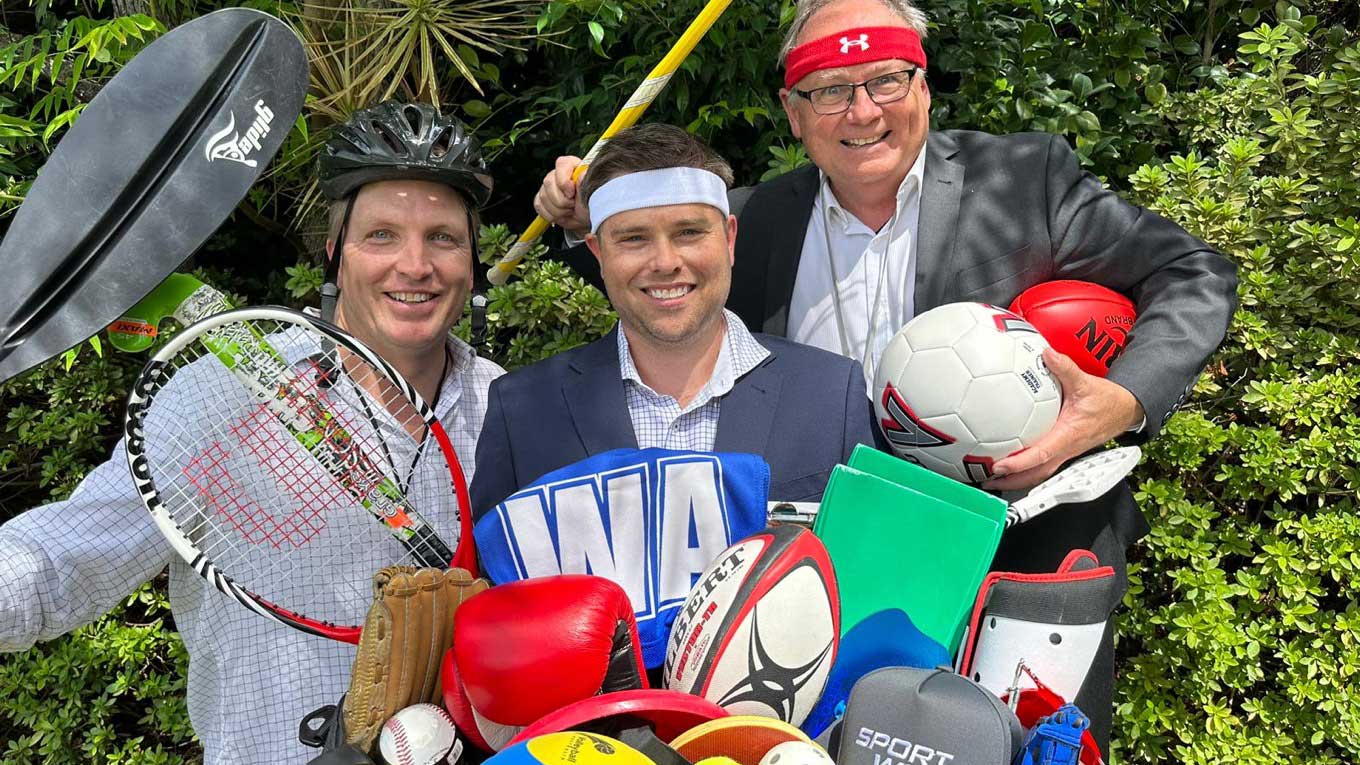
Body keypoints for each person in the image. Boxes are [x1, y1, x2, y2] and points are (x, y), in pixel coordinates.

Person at [531, 0, 1238, 750]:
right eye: (831, 89)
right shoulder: (763, 218)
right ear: (794, 114)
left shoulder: (1021, 181)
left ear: (924, 86)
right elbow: (662, 263)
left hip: (1022, 562)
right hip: (837, 578)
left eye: (886, 81)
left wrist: (1118, 402)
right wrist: (577, 218)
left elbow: (1194, 271)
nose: (862, 111)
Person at [0, 101, 505, 765]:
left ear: (471, 260)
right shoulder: (220, 394)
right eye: (381, 235)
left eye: (442, 236)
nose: (415, 265)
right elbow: (61, 557)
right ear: (335, 253)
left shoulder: (506, 403)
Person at [471, 123, 876, 521]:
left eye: (688, 232)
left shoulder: (831, 395)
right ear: (597, 252)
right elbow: (496, 581)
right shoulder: (523, 409)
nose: (665, 263)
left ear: (730, 239)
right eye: (634, 238)